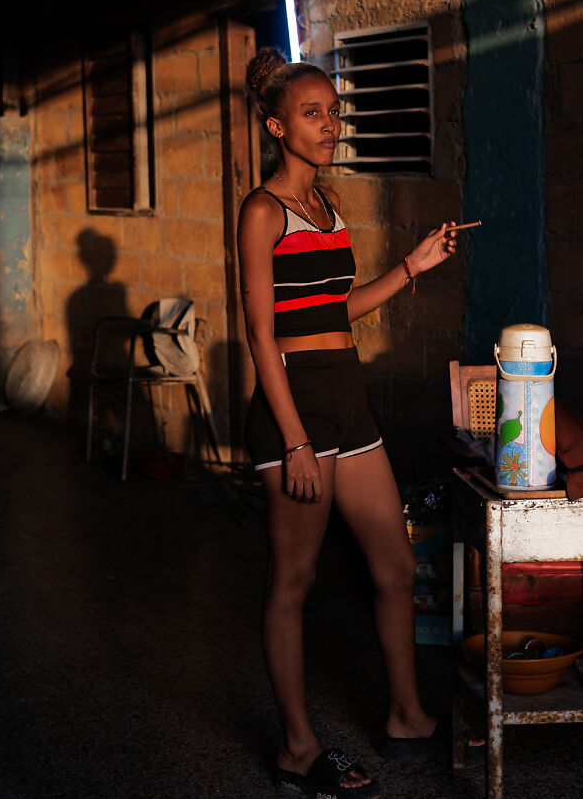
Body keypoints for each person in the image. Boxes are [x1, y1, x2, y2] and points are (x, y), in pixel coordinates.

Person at [237, 47, 471, 799]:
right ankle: (298, 748)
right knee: (294, 579)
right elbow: (262, 335)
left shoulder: (326, 206)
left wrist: (412, 266)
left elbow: (335, 313)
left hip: (347, 394)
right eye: (312, 113)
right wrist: (296, 440)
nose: (329, 123)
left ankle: (406, 714)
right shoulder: (263, 210)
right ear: (277, 125)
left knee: (395, 567)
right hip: (295, 409)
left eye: (333, 111)